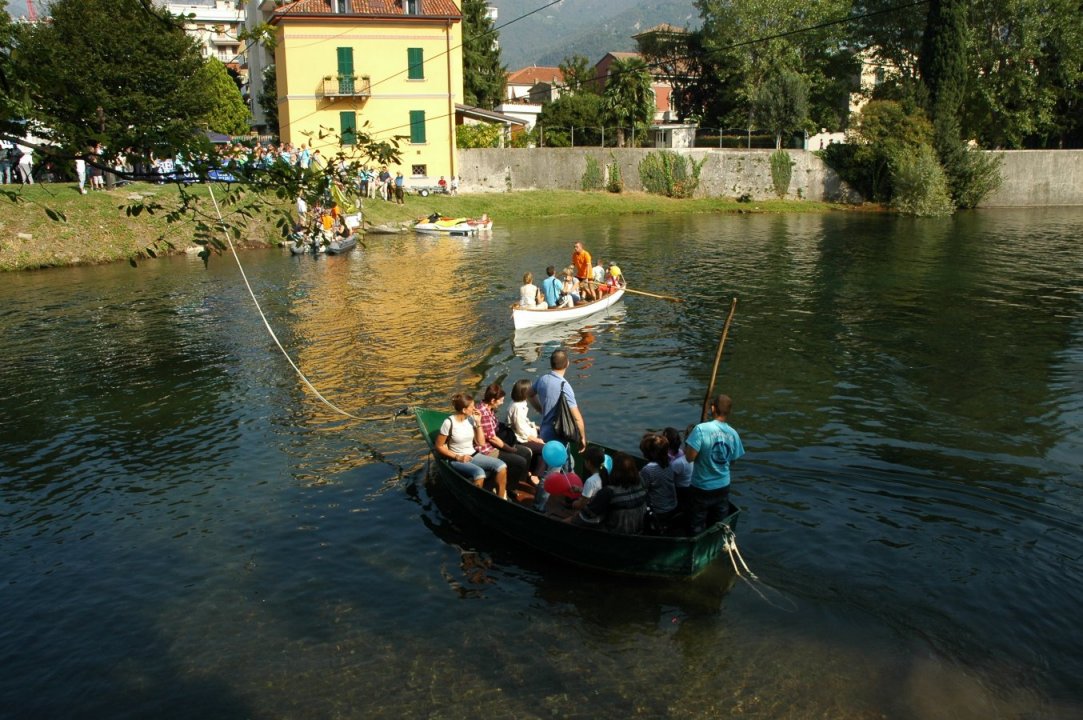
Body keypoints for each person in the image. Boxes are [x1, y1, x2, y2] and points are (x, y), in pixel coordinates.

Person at [528, 348, 588, 510]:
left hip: (548, 432)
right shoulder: (564, 386)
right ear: (567, 364)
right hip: (559, 435)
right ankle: (538, 506)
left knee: (569, 465)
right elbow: (576, 416)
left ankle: (571, 496)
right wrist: (583, 437)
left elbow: (529, 393)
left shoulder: (543, 379)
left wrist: (540, 409)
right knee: (552, 472)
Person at [684, 394, 745, 534]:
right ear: (729, 412)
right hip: (723, 485)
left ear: (713, 408)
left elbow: (689, 458)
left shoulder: (700, 429)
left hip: (701, 487)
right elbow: (733, 460)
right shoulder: (734, 434)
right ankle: (717, 544)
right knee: (720, 522)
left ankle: (698, 545)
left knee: (697, 522)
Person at [434, 392, 508, 499]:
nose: (475, 408)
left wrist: (478, 423)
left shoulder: (471, 419)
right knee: (479, 473)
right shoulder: (449, 423)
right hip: (457, 459)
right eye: (472, 407)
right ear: (464, 410)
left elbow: (481, 443)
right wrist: (458, 457)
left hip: (473, 455)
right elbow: (439, 446)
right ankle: (476, 499)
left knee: (501, 466)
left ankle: (501, 499)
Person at [477, 383, 537, 492]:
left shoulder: (489, 409)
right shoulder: (483, 413)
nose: (502, 402)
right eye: (500, 400)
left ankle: (518, 482)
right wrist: (510, 449)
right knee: (520, 461)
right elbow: (492, 439)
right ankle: (508, 488)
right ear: (492, 400)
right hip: (489, 449)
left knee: (527, 453)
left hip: (496, 443)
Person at [574, 452, 647, 534]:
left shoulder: (609, 491)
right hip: (638, 532)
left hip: (614, 535)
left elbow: (586, 516)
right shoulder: (641, 484)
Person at [640, 432, 678, 533]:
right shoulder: (669, 464)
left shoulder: (648, 470)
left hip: (659, 510)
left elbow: (642, 489)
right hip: (673, 506)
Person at [506, 379, 545, 476]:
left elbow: (524, 421)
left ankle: (534, 471)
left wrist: (535, 427)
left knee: (544, 439)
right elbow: (520, 429)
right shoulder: (517, 407)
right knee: (545, 448)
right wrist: (535, 439)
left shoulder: (518, 404)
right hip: (519, 439)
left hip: (524, 434)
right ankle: (537, 475)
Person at [664, 426, 693, 512]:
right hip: (689, 486)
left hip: (681, 489)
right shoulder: (681, 453)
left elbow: (668, 478)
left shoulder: (678, 462)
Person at [570, 445, 607, 512]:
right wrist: (579, 489)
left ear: (589, 463)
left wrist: (573, 504)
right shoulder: (603, 475)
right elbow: (595, 492)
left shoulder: (590, 481)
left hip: (590, 513)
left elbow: (581, 505)